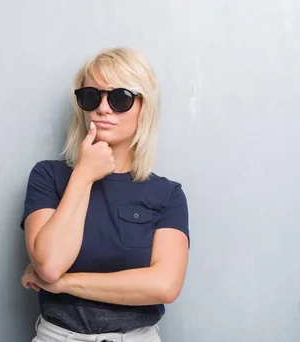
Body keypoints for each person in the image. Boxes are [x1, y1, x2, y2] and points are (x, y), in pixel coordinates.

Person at [19, 47, 190, 342]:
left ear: (143, 107)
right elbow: (49, 264)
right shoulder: (48, 176)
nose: (103, 108)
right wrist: (84, 175)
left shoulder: (167, 194)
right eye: (91, 96)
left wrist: (65, 284)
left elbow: (164, 285)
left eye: (119, 98)